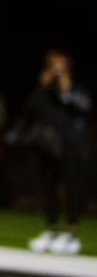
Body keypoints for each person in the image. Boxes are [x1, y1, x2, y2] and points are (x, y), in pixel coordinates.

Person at [16, 49, 90, 254]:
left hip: (70, 146)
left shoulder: (75, 88)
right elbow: (29, 109)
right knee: (48, 188)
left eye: (60, 65)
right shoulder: (44, 91)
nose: (56, 69)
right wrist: (42, 87)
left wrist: (66, 91)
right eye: (53, 64)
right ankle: (52, 230)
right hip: (47, 146)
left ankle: (72, 233)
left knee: (71, 188)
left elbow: (85, 108)